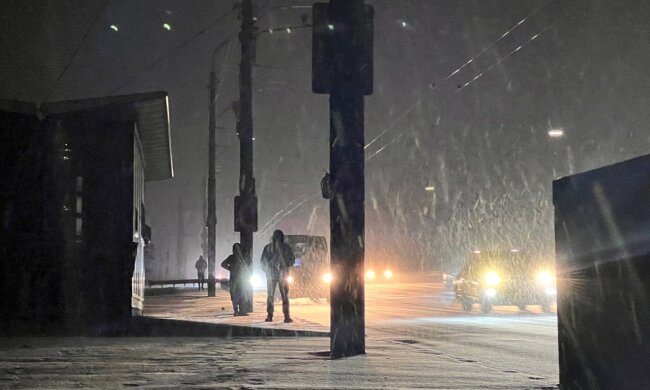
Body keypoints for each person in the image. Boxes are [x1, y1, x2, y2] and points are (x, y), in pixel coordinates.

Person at [260, 230, 295, 323]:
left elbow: (262, 262)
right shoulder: (286, 248)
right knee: (284, 296)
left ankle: (270, 315)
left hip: (272, 276)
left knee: (271, 296)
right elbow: (291, 261)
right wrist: (285, 264)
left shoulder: (268, 248)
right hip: (283, 275)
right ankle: (286, 316)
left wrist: (267, 270)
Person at [221, 243, 248, 316]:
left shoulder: (232, 257)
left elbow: (223, 264)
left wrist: (230, 268)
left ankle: (237, 310)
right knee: (241, 294)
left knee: (235, 295)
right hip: (241, 279)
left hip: (235, 279)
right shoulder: (242, 257)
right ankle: (241, 311)